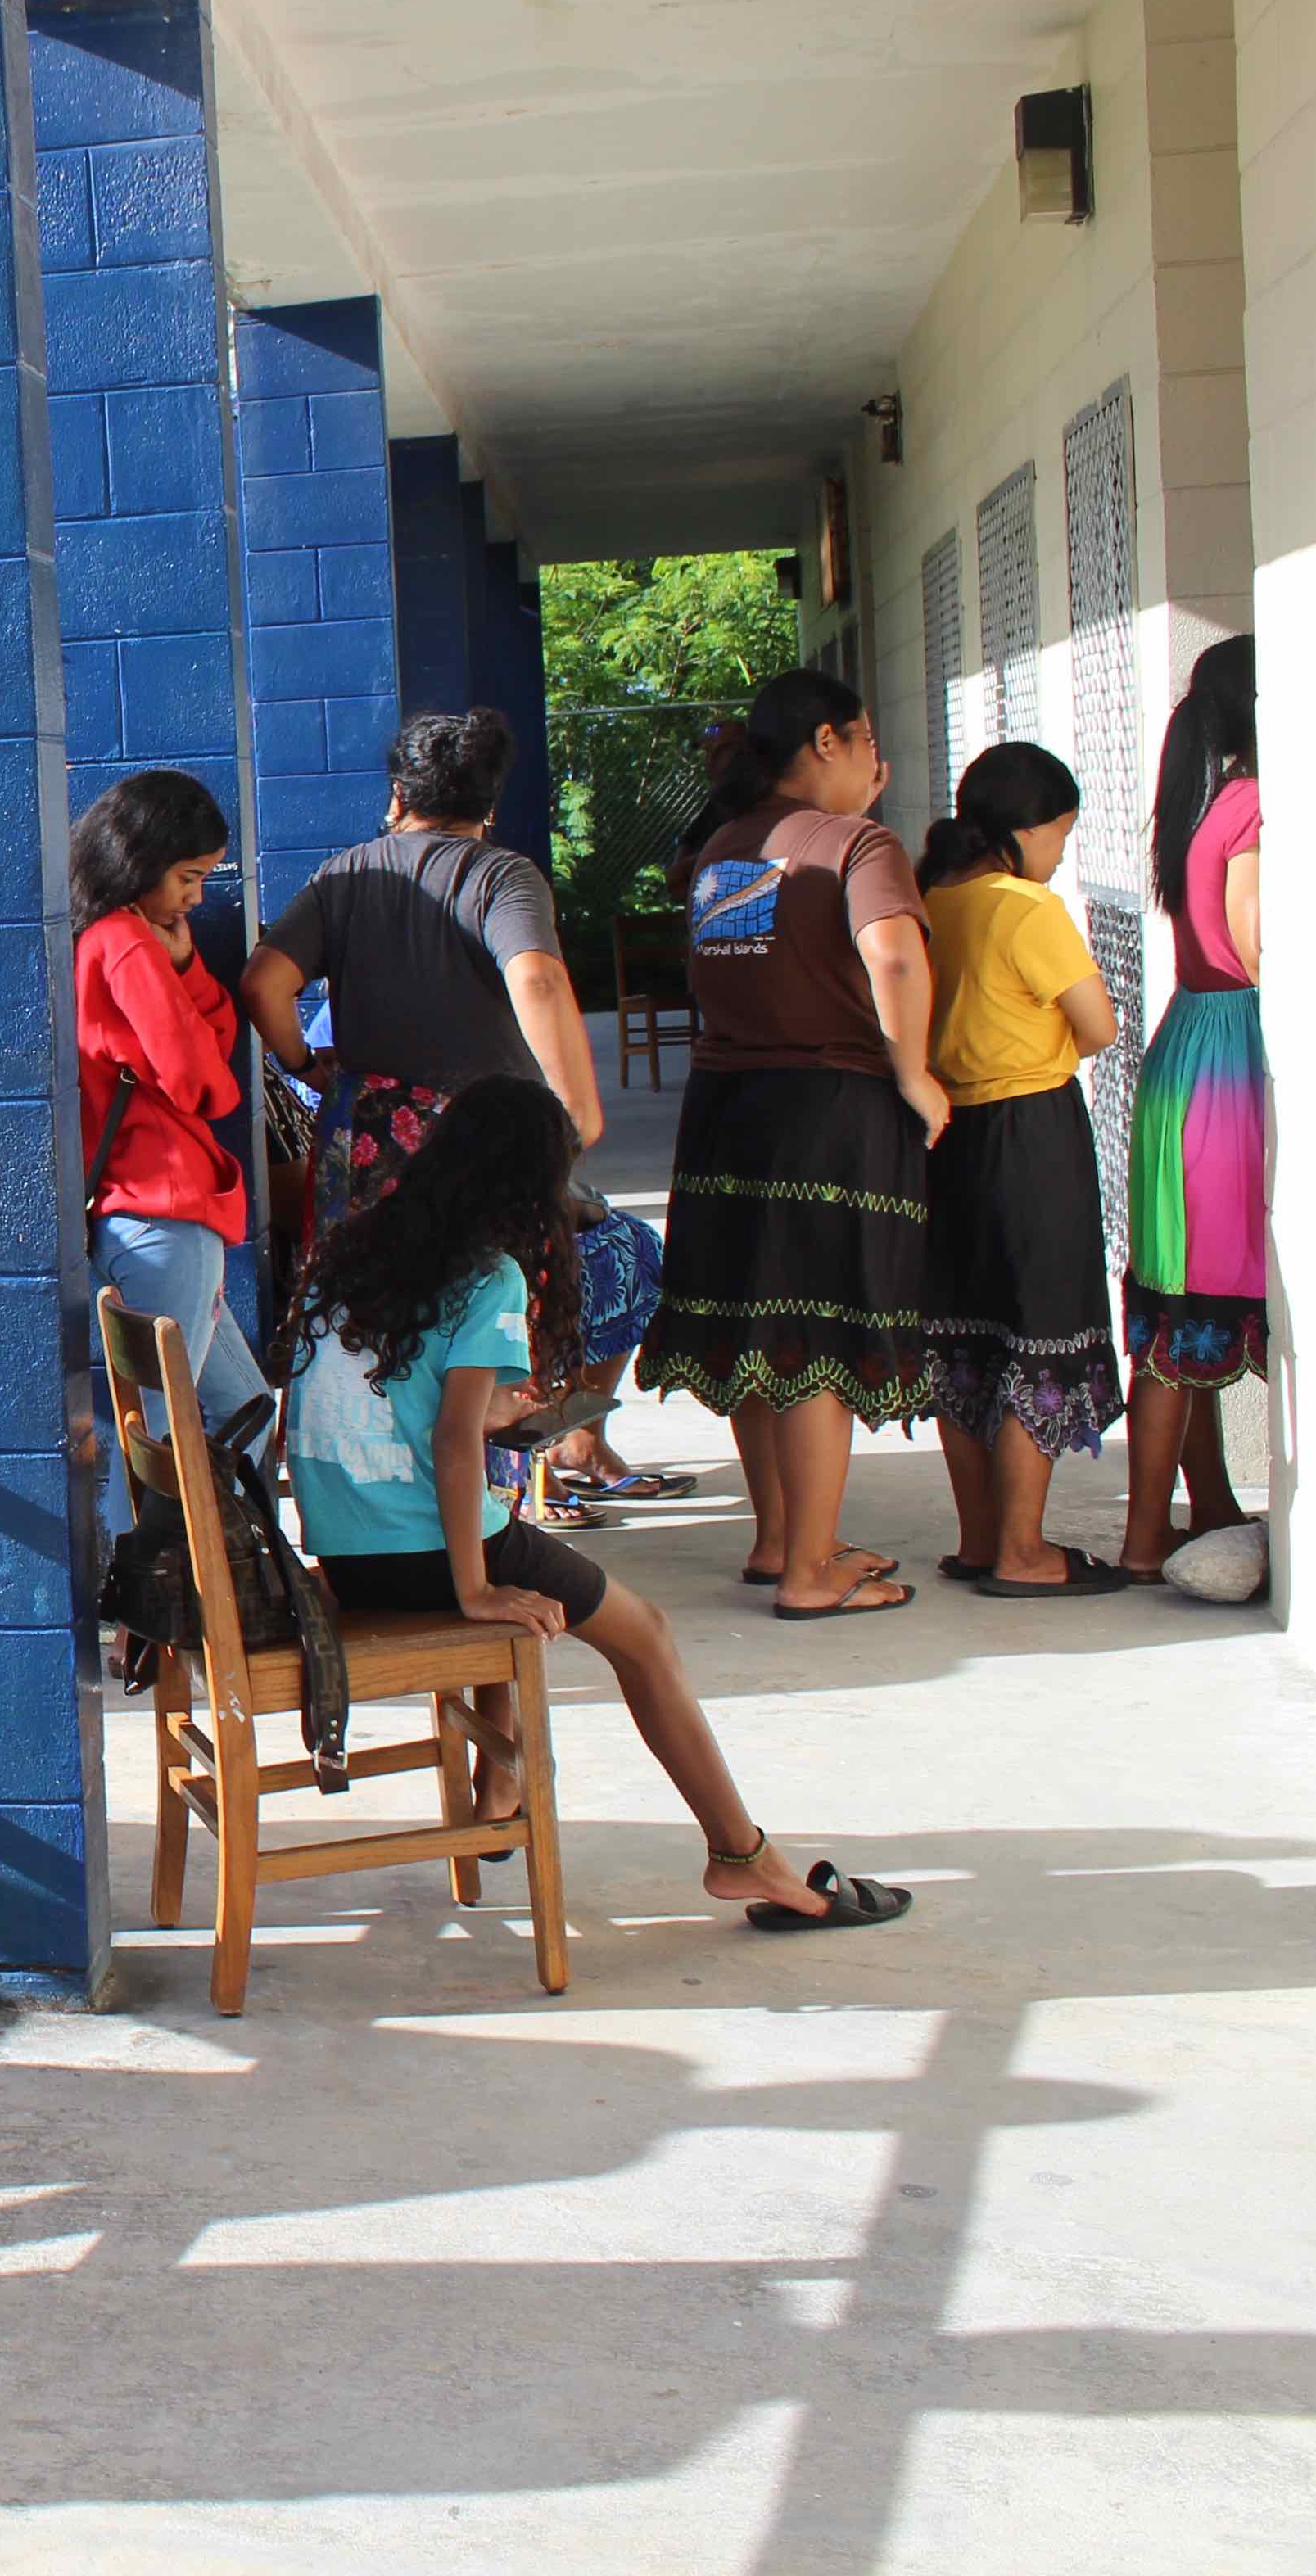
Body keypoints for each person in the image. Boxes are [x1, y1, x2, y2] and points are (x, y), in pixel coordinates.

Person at [278, 1073, 913, 1930]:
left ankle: (501, 1779)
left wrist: (500, 1411)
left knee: (527, 1561)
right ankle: (743, 1856)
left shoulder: (353, 1249)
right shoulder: (488, 1275)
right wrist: (473, 1586)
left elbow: (383, 1405)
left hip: (349, 1550)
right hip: (427, 1554)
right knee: (642, 1636)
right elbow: (456, 1445)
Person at [240, 707, 681, 1506]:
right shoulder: (500, 877)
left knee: (365, 1320)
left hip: (367, 1143)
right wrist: (577, 1110)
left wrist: (308, 1064)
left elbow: (265, 984)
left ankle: (367, 1501)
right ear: (489, 804)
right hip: (484, 1141)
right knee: (513, 1303)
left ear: (397, 793)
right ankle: (495, 1500)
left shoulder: (344, 877)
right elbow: (538, 979)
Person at [635, 668, 941, 1621]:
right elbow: (892, 954)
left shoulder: (723, 848)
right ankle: (812, 1569)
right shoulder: (860, 843)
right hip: (825, 1110)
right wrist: (917, 1071)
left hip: (728, 1109)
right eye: (864, 743)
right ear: (824, 743)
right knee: (815, 1332)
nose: (876, 766)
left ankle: (778, 1541)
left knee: (757, 1331)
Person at [916, 742, 1129, 1595]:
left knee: (967, 1339)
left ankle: (978, 1541)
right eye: (1061, 834)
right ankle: (1024, 1550)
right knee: (1042, 1335)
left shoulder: (935, 901)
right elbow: (1102, 1026)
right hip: (1033, 1131)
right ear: (1026, 830)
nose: (1062, 852)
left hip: (947, 1137)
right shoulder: (1025, 907)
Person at [1119, 635, 1267, 1581]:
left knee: (1180, 1290)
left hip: (1187, 1052)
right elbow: (1259, 947)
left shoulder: (1204, 802)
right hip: (1233, 1062)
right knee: (1196, 1303)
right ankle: (1143, 1537)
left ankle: (1200, 1508)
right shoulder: (1255, 805)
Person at [75, 771, 265, 1453]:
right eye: (188, 876)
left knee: (246, 1409)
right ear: (140, 860)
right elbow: (201, 1082)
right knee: (160, 1437)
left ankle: (217, 1559)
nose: (195, 896)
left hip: (141, 1213)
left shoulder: (107, 935)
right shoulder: (126, 941)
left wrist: (184, 969)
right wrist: (177, 976)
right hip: (165, 1208)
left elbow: (206, 1048)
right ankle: (156, 1559)